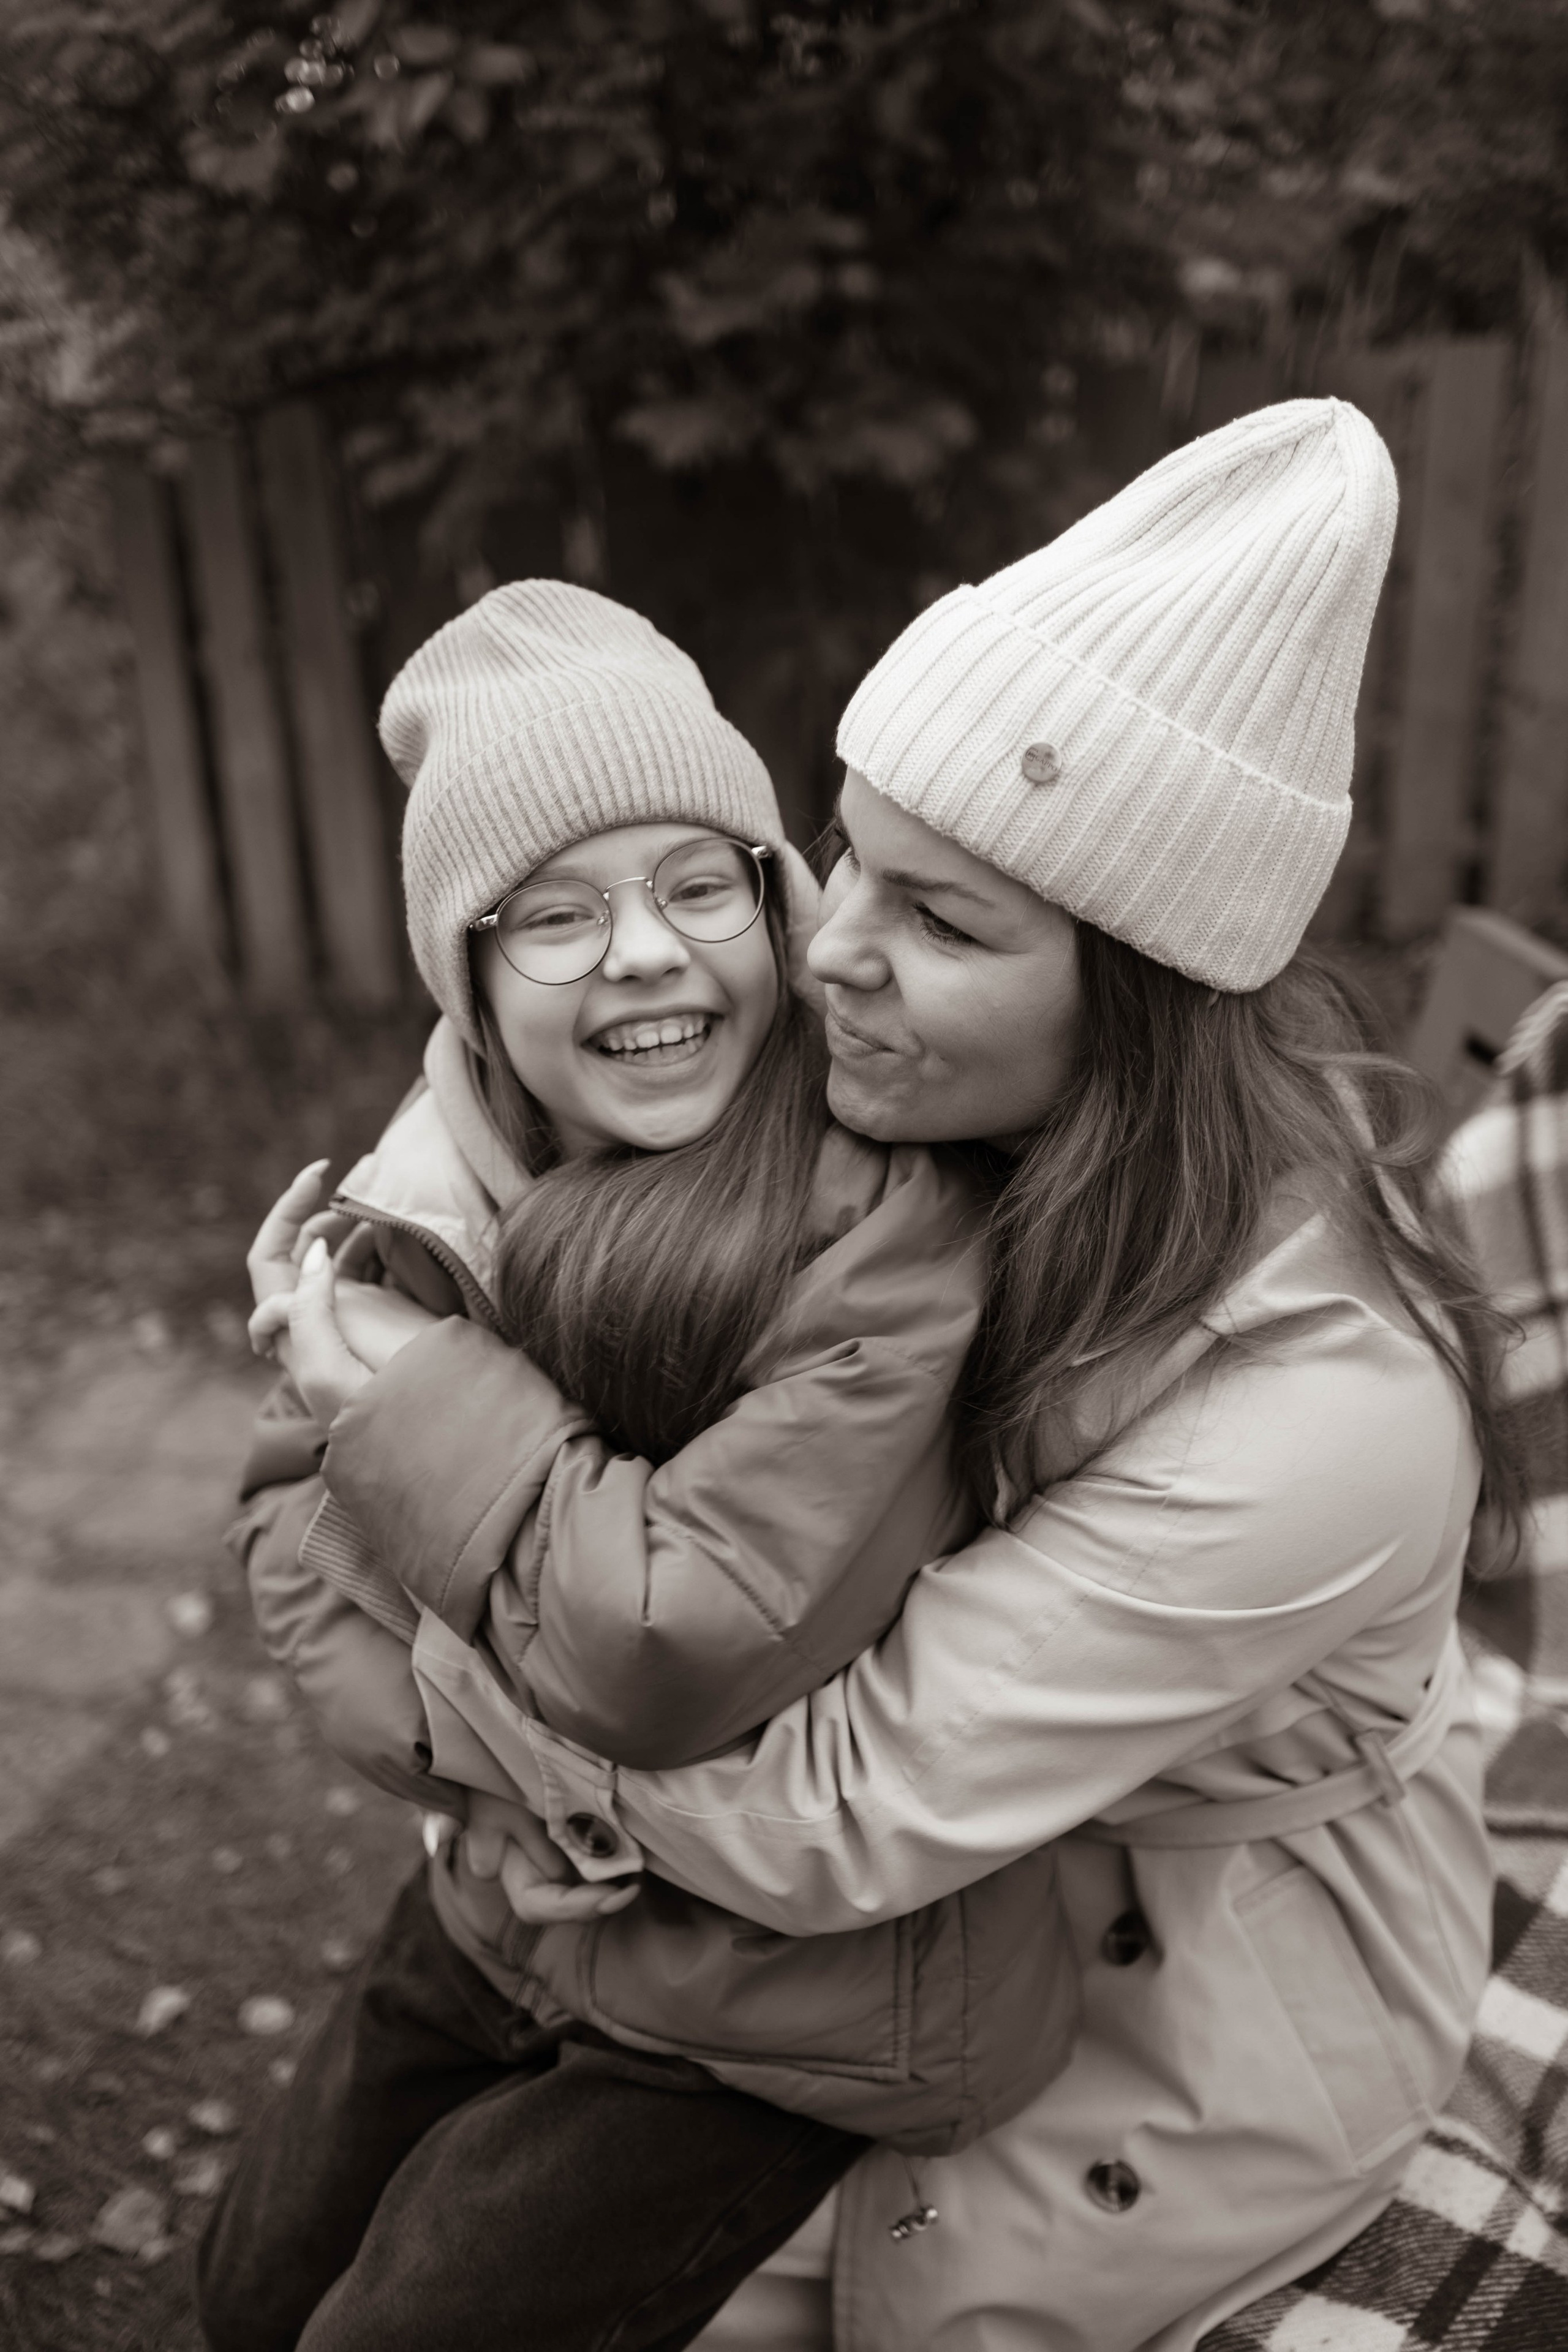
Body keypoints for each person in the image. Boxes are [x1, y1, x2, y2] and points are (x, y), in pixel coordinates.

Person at [263, 400, 1515, 2352]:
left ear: (1142, 998)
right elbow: (505, 1135)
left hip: (1141, 1989)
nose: (823, 947)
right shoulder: (920, 1108)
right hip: (765, 1902)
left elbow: (828, 1812)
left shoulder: (1321, 1412)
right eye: (847, 853)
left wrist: (410, 1459)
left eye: (937, 918)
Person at [200, 581, 1077, 2352]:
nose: (649, 954)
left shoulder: (883, 1226)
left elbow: (664, 1644)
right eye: (556, 917)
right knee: (248, 2284)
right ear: (469, 973)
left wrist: (409, 1395)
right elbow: (289, 1514)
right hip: (514, 1895)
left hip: (788, 1995)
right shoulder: (436, 1181)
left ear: (778, 906)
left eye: (699, 884)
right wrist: (474, 1775)